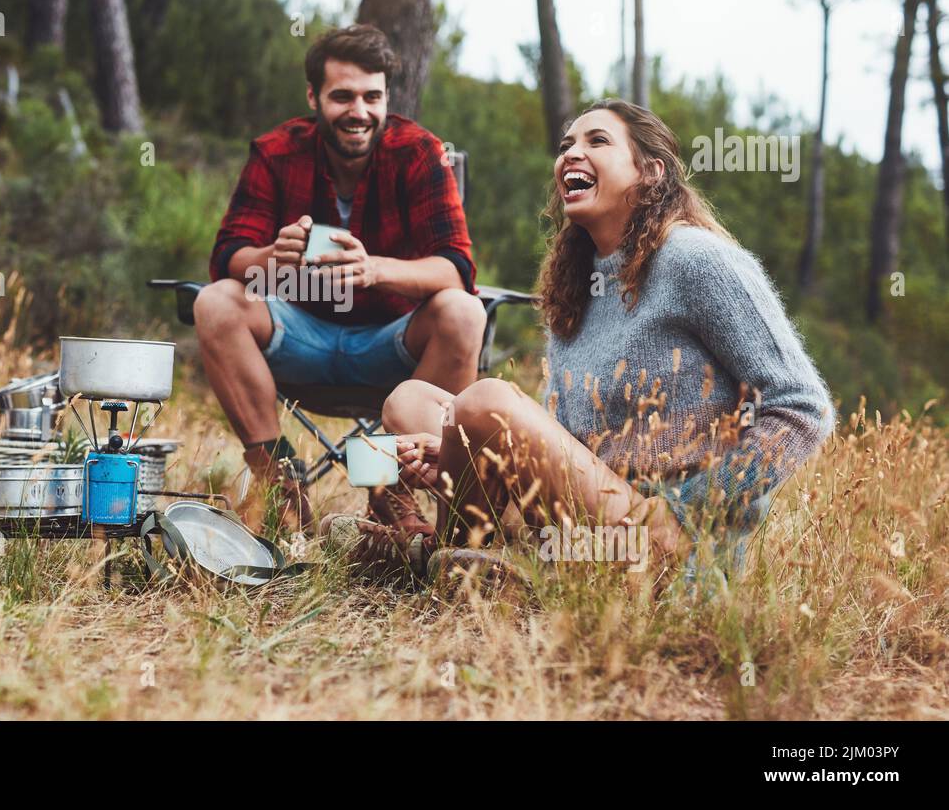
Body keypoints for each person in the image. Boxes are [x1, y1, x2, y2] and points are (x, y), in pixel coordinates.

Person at [323, 99, 835, 593]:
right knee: (408, 401)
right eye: (567, 143)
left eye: (597, 141)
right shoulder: (577, 283)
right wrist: (459, 451)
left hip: (658, 539)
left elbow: (803, 407)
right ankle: (464, 557)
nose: (570, 153)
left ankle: (434, 562)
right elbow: (565, 441)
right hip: (574, 536)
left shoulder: (696, 260)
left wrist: (691, 511)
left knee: (485, 402)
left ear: (651, 173)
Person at [196, 24, 487, 535]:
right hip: (298, 336)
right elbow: (227, 257)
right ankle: (281, 484)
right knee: (215, 302)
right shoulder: (276, 151)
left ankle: (386, 488)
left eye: (372, 97)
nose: (359, 111)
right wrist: (272, 256)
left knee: (463, 312)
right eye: (342, 96)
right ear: (313, 96)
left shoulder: (420, 152)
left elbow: (457, 267)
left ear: (387, 97)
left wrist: (376, 269)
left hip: (393, 348)